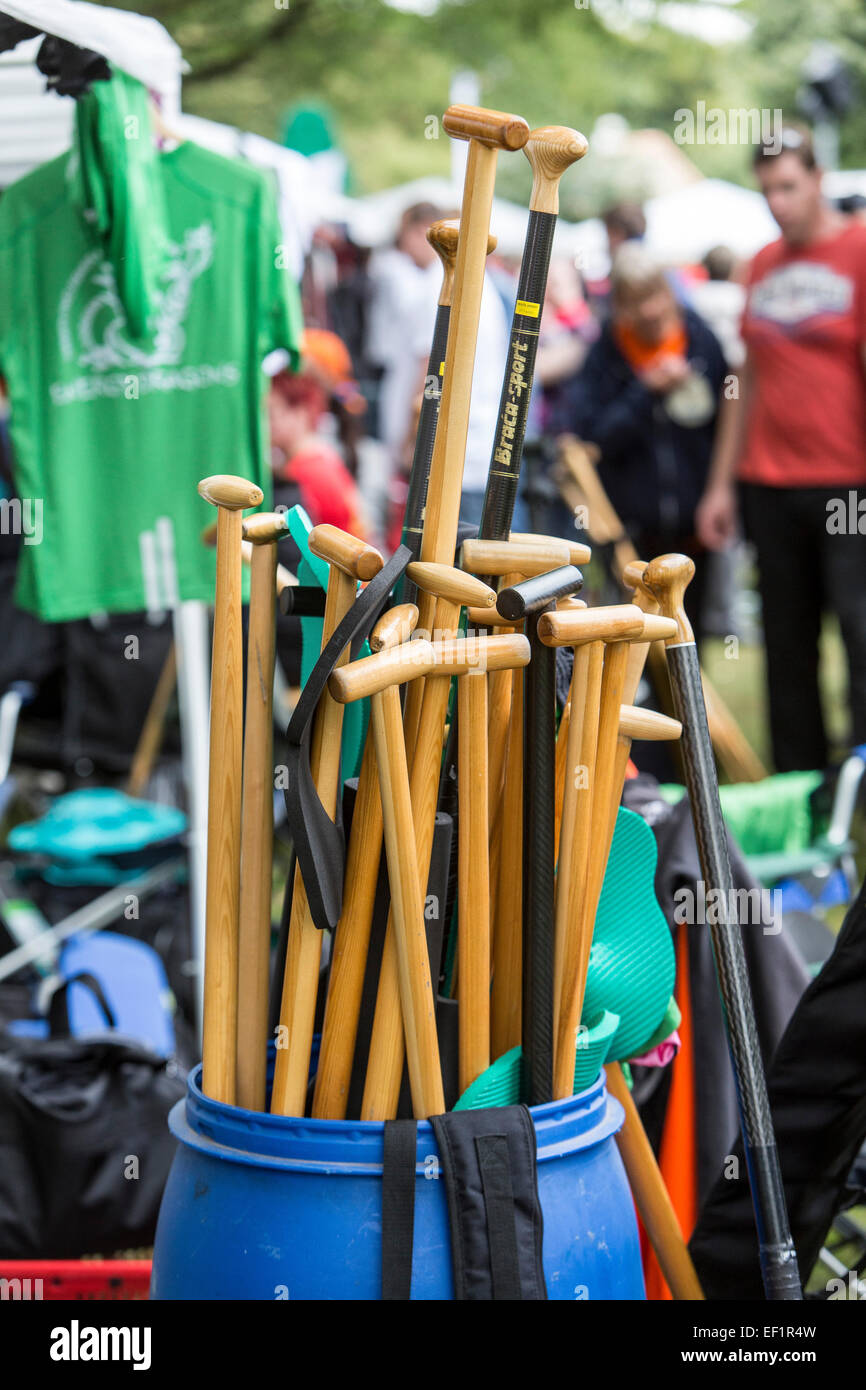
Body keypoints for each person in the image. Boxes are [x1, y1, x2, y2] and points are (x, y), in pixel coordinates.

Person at [696, 126, 866, 771]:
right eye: (768, 190)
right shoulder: (762, 263)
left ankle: (859, 776)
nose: (779, 203)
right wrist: (720, 485)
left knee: (860, 635)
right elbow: (745, 380)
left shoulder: (858, 250)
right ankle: (805, 780)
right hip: (767, 482)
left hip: (848, 484)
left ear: (819, 178)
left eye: (790, 186)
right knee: (787, 646)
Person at [555, 244, 727, 638]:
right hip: (628, 529)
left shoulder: (701, 341)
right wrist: (644, 391)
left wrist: (720, 496)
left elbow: (724, 429)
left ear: (668, 293)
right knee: (633, 635)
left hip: (693, 522)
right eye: (635, 302)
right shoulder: (605, 353)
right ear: (619, 305)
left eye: (653, 297)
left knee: (689, 634)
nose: (648, 311)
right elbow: (593, 438)